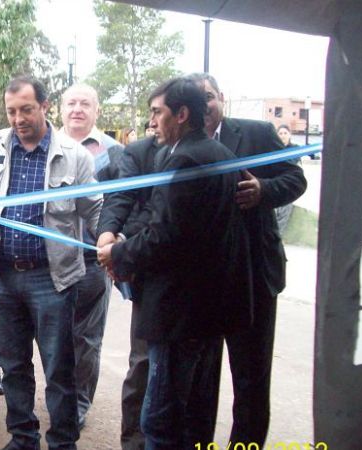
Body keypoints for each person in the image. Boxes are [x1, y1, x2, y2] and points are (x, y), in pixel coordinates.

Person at [98, 76, 252, 448]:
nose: (152, 122)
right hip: (206, 308)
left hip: (180, 312)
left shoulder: (184, 160)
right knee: (188, 412)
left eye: (157, 112)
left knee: (161, 418)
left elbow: (166, 236)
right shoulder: (218, 156)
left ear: (181, 114)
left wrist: (116, 253)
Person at [0, 75, 102, 450]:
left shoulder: (73, 155)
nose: (17, 118)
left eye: (26, 109)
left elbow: (94, 210)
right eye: (11, 111)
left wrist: (112, 242)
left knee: (59, 370)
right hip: (4, 277)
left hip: (53, 280)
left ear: (45, 107)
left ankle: (62, 442)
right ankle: (22, 437)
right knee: (13, 366)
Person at [188, 72, 307, 447]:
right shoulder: (181, 144)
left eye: (207, 96)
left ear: (221, 97)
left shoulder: (257, 133)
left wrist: (264, 190)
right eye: (194, 98)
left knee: (252, 380)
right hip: (201, 285)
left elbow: (295, 179)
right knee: (199, 384)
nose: (202, 105)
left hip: (254, 278)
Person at [97, 128, 163, 450]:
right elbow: (122, 199)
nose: (155, 123)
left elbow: (166, 216)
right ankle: (133, 441)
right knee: (143, 362)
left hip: (202, 279)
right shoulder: (139, 152)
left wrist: (121, 248)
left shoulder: (210, 151)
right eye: (153, 113)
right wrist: (111, 236)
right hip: (151, 275)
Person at [59, 83, 118, 431]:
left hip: (94, 258)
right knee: (54, 336)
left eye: (85, 104)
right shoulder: (45, 147)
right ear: (61, 110)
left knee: (86, 338)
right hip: (50, 259)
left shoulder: (113, 152)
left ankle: (79, 403)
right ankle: (61, 395)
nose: (77, 109)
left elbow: (124, 203)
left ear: (97, 111)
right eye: (71, 103)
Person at [273, 124, 297, 234]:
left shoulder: (295, 149)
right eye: (280, 133)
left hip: (287, 185)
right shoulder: (272, 148)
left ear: (290, 135)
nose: (283, 136)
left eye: (285, 133)